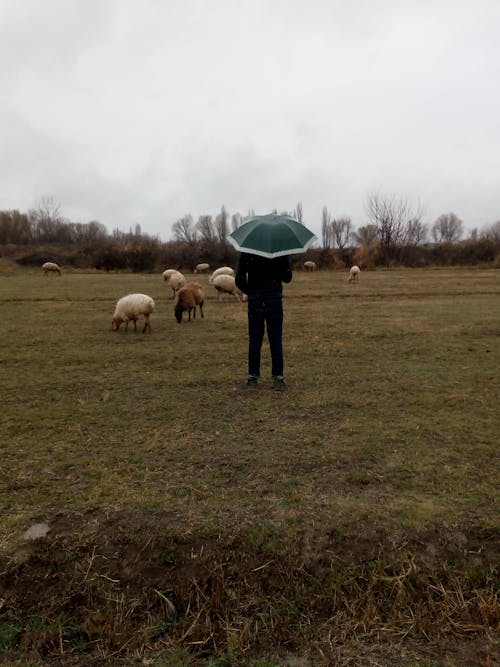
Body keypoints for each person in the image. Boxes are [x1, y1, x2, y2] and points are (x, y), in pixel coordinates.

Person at [235, 252, 292, 389]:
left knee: (254, 339)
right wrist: (285, 262)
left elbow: (239, 280)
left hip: (255, 301)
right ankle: (278, 376)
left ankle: (253, 376)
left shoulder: (247, 252)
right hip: (274, 300)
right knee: (276, 338)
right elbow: (287, 278)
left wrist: (251, 292)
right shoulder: (280, 252)